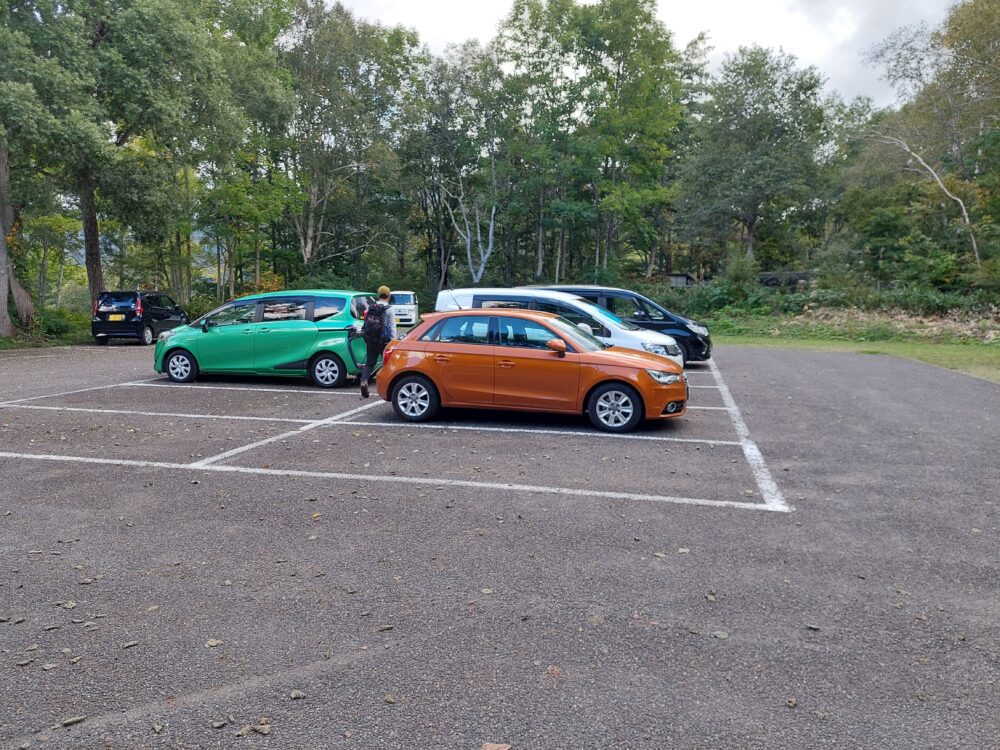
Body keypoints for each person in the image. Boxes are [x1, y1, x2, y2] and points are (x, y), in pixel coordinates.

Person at [359, 286, 397, 398]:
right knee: (388, 363)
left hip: (371, 339)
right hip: (383, 341)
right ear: (389, 296)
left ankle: (364, 381)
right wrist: (394, 340)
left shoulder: (371, 306)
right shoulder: (389, 309)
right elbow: (391, 325)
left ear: (378, 295)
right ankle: (388, 387)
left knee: (370, 363)